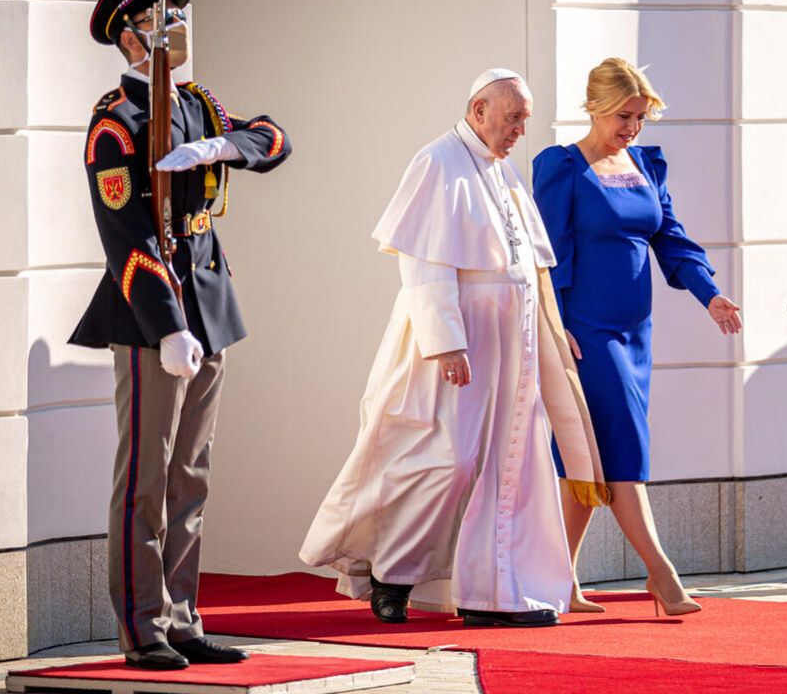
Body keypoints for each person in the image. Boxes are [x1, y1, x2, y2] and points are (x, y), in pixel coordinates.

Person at [300, 69, 609, 628]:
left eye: (524, 119)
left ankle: (496, 593)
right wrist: (446, 342)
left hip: (510, 349)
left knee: (508, 466)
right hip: (456, 346)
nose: (520, 129)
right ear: (479, 108)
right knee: (447, 460)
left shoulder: (503, 168)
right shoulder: (437, 161)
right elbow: (425, 265)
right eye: (512, 117)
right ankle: (392, 572)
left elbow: (527, 265)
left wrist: (548, 323)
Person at [71, 0, 292, 670]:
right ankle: (142, 626)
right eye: (160, 18)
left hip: (209, 303)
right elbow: (124, 238)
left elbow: (274, 137)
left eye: (175, 15)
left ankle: (184, 615)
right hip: (149, 316)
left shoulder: (195, 103)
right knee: (146, 477)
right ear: (130, 39)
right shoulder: (115, 125)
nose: (176, 27)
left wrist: (224, 145)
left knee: (191, 473)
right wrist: (165, 324)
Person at [532, 58, 742, 616]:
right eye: (624, 115)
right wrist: (556, 331)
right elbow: (544, 258)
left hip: (636, 335)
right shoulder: (562, 167)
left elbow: (671, 239)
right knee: (624, 450)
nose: (633, 127)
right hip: (587, 335)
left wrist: (709, 294)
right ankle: (662, 575)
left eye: (641, 117)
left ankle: (561, 580)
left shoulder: (646, 164)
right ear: (595, 108)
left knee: (589, 457)